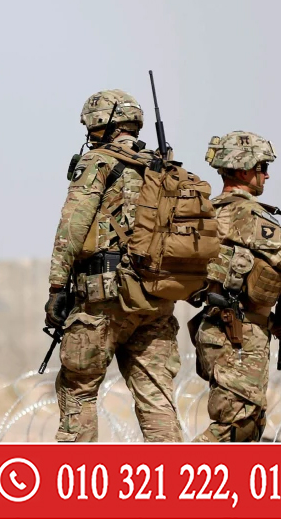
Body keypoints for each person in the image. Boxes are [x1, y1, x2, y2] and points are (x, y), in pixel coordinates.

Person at [45, 89, 182, 442]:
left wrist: (57, 287)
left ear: (100, 124)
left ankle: (77, 475)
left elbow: (72, 227)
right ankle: (172, 473)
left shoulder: (98, 161)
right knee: (156, 397)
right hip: (156, 298)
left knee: (78, 388)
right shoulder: (163, 167)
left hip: (106, 296)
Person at [191, 131, 281, 442]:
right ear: (243, 171)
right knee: (236, 425)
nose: (266, 175)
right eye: (262, 167)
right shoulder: (249, 214)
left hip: (219, 327)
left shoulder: (207, 212)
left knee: (248, 425)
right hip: (238, 335)